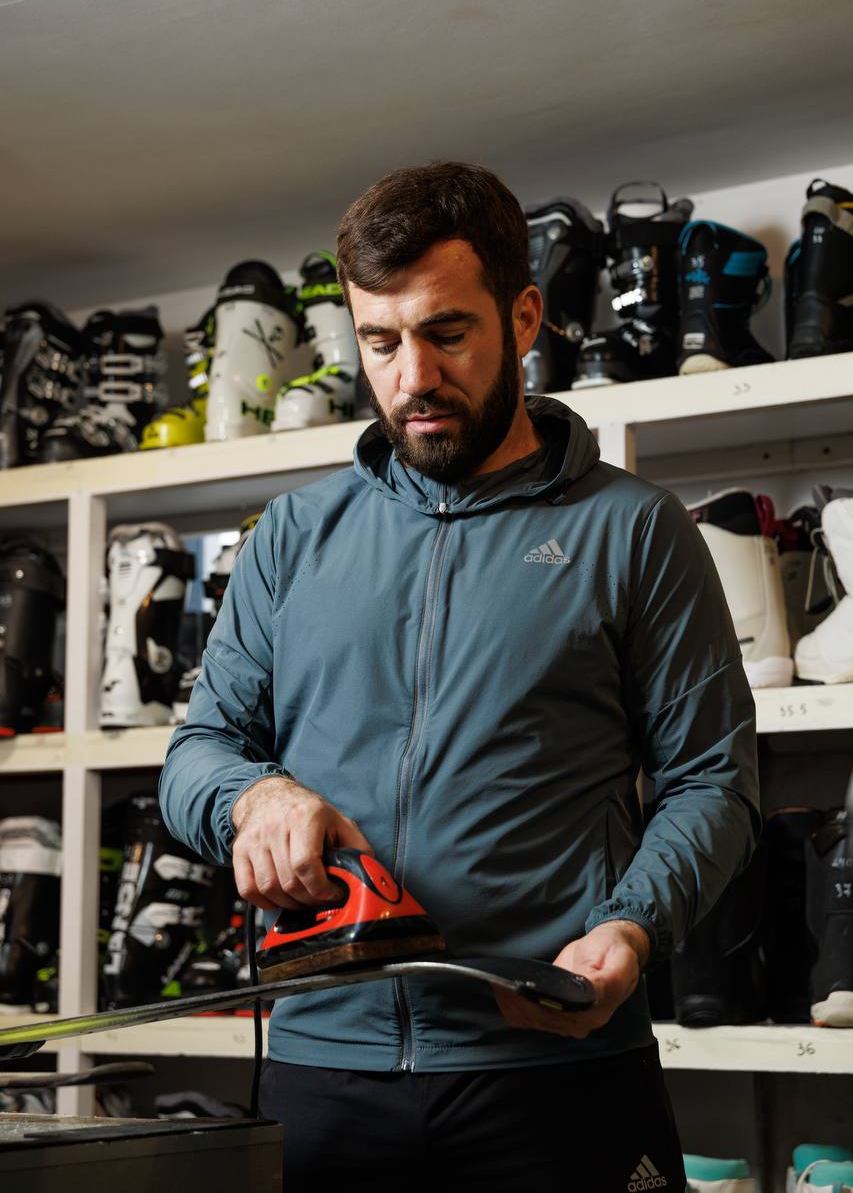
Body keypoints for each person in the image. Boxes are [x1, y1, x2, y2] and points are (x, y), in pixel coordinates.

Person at [160, 161, 759, 1192]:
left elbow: (714, 778)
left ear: (523, 317)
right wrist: (252, 797)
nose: (412, 377)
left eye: (445, 333)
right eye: (379, 342)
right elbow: (196, 754)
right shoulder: (292, 536)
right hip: (325, 1063)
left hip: (554, 1060)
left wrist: (629, 924)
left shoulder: (632, 529)